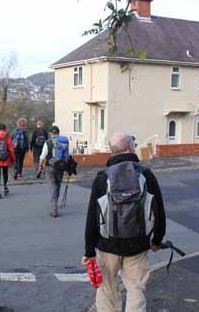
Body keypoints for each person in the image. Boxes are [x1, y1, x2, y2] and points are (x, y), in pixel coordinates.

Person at [82, 132, 166, 312]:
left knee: (107, 289)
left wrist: (89, 250)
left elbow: (92, 216)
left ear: (111, 151)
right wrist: (157, 240)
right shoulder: (145, 174)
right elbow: (158, 210)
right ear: (130, 148)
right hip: (138, 244)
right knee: (136, 288)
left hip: (107, 245)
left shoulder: (102, 177)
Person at [38, 126, 70, 217]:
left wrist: (40, 166)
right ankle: (55, 202)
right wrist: (67, 170)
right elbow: (67, 155)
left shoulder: (48, 142)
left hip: (50, 167)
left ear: (50, 133)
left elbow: (42, 156)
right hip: (61, 167)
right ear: (58, 133)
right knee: (58, 185)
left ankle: (54, 209)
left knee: (52, 187)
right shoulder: (64, 141)